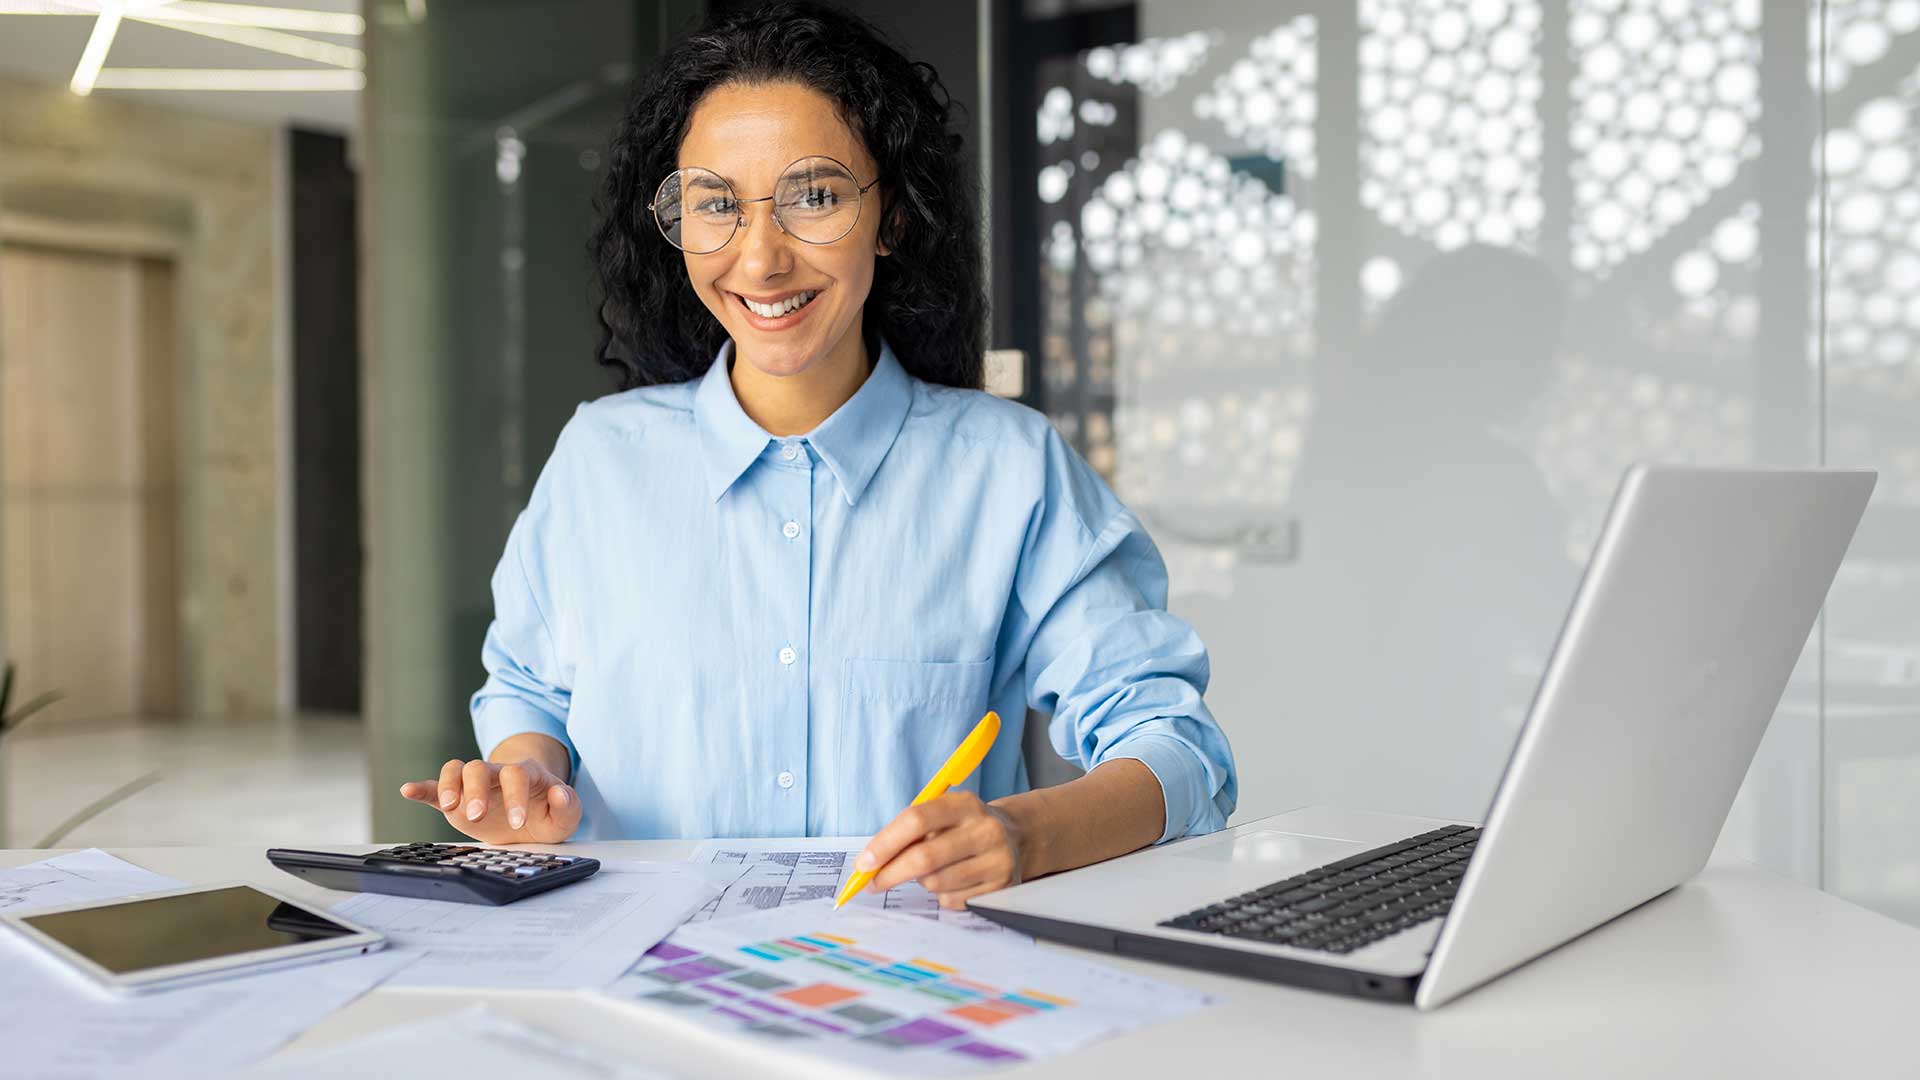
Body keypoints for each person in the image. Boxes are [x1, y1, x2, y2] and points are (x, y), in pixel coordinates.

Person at [398, 1, 1235, 910]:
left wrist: (1026, 835)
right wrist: (526, 780)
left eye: (816, 196)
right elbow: (528, 691)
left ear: (893, 217)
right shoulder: (600, 461)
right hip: (636, 982)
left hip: (903, 989)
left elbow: (1179, 752)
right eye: (716, 205)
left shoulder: (1010, 470)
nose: (760, 260)